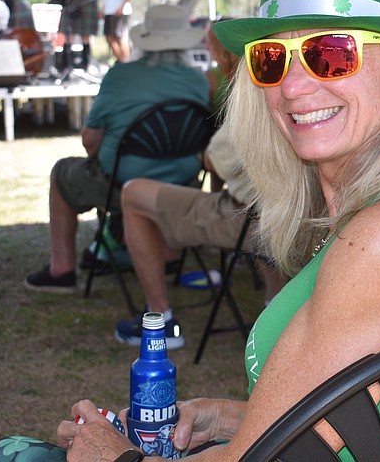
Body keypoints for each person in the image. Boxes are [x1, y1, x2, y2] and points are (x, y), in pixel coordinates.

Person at [0, 0, 380, 461]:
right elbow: (364, 413)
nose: (293, 86)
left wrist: (115, 457)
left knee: (0, 454)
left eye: (331, 53)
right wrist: (228, 415)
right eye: (271, 58)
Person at [24, 5, 208, 293]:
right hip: (182, 184)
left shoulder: (120, 76)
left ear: (145, 41)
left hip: (121, 184)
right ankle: (168, 254)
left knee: (62, 172)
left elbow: (90, 141)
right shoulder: (199, 80)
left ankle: (61, 270)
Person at [114, 119, 288, 349]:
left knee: (133, 194)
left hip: (253, 222)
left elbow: (213, 159)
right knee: (266, 202)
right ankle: (278, 312)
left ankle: (161, 322)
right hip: (296, 221)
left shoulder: (257, 96)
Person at [205, 16, 238, 122]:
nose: (207, 48)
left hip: (220, 134)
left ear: (218, 45)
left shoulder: (211, 77)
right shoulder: (252, 68)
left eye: (209, 43)